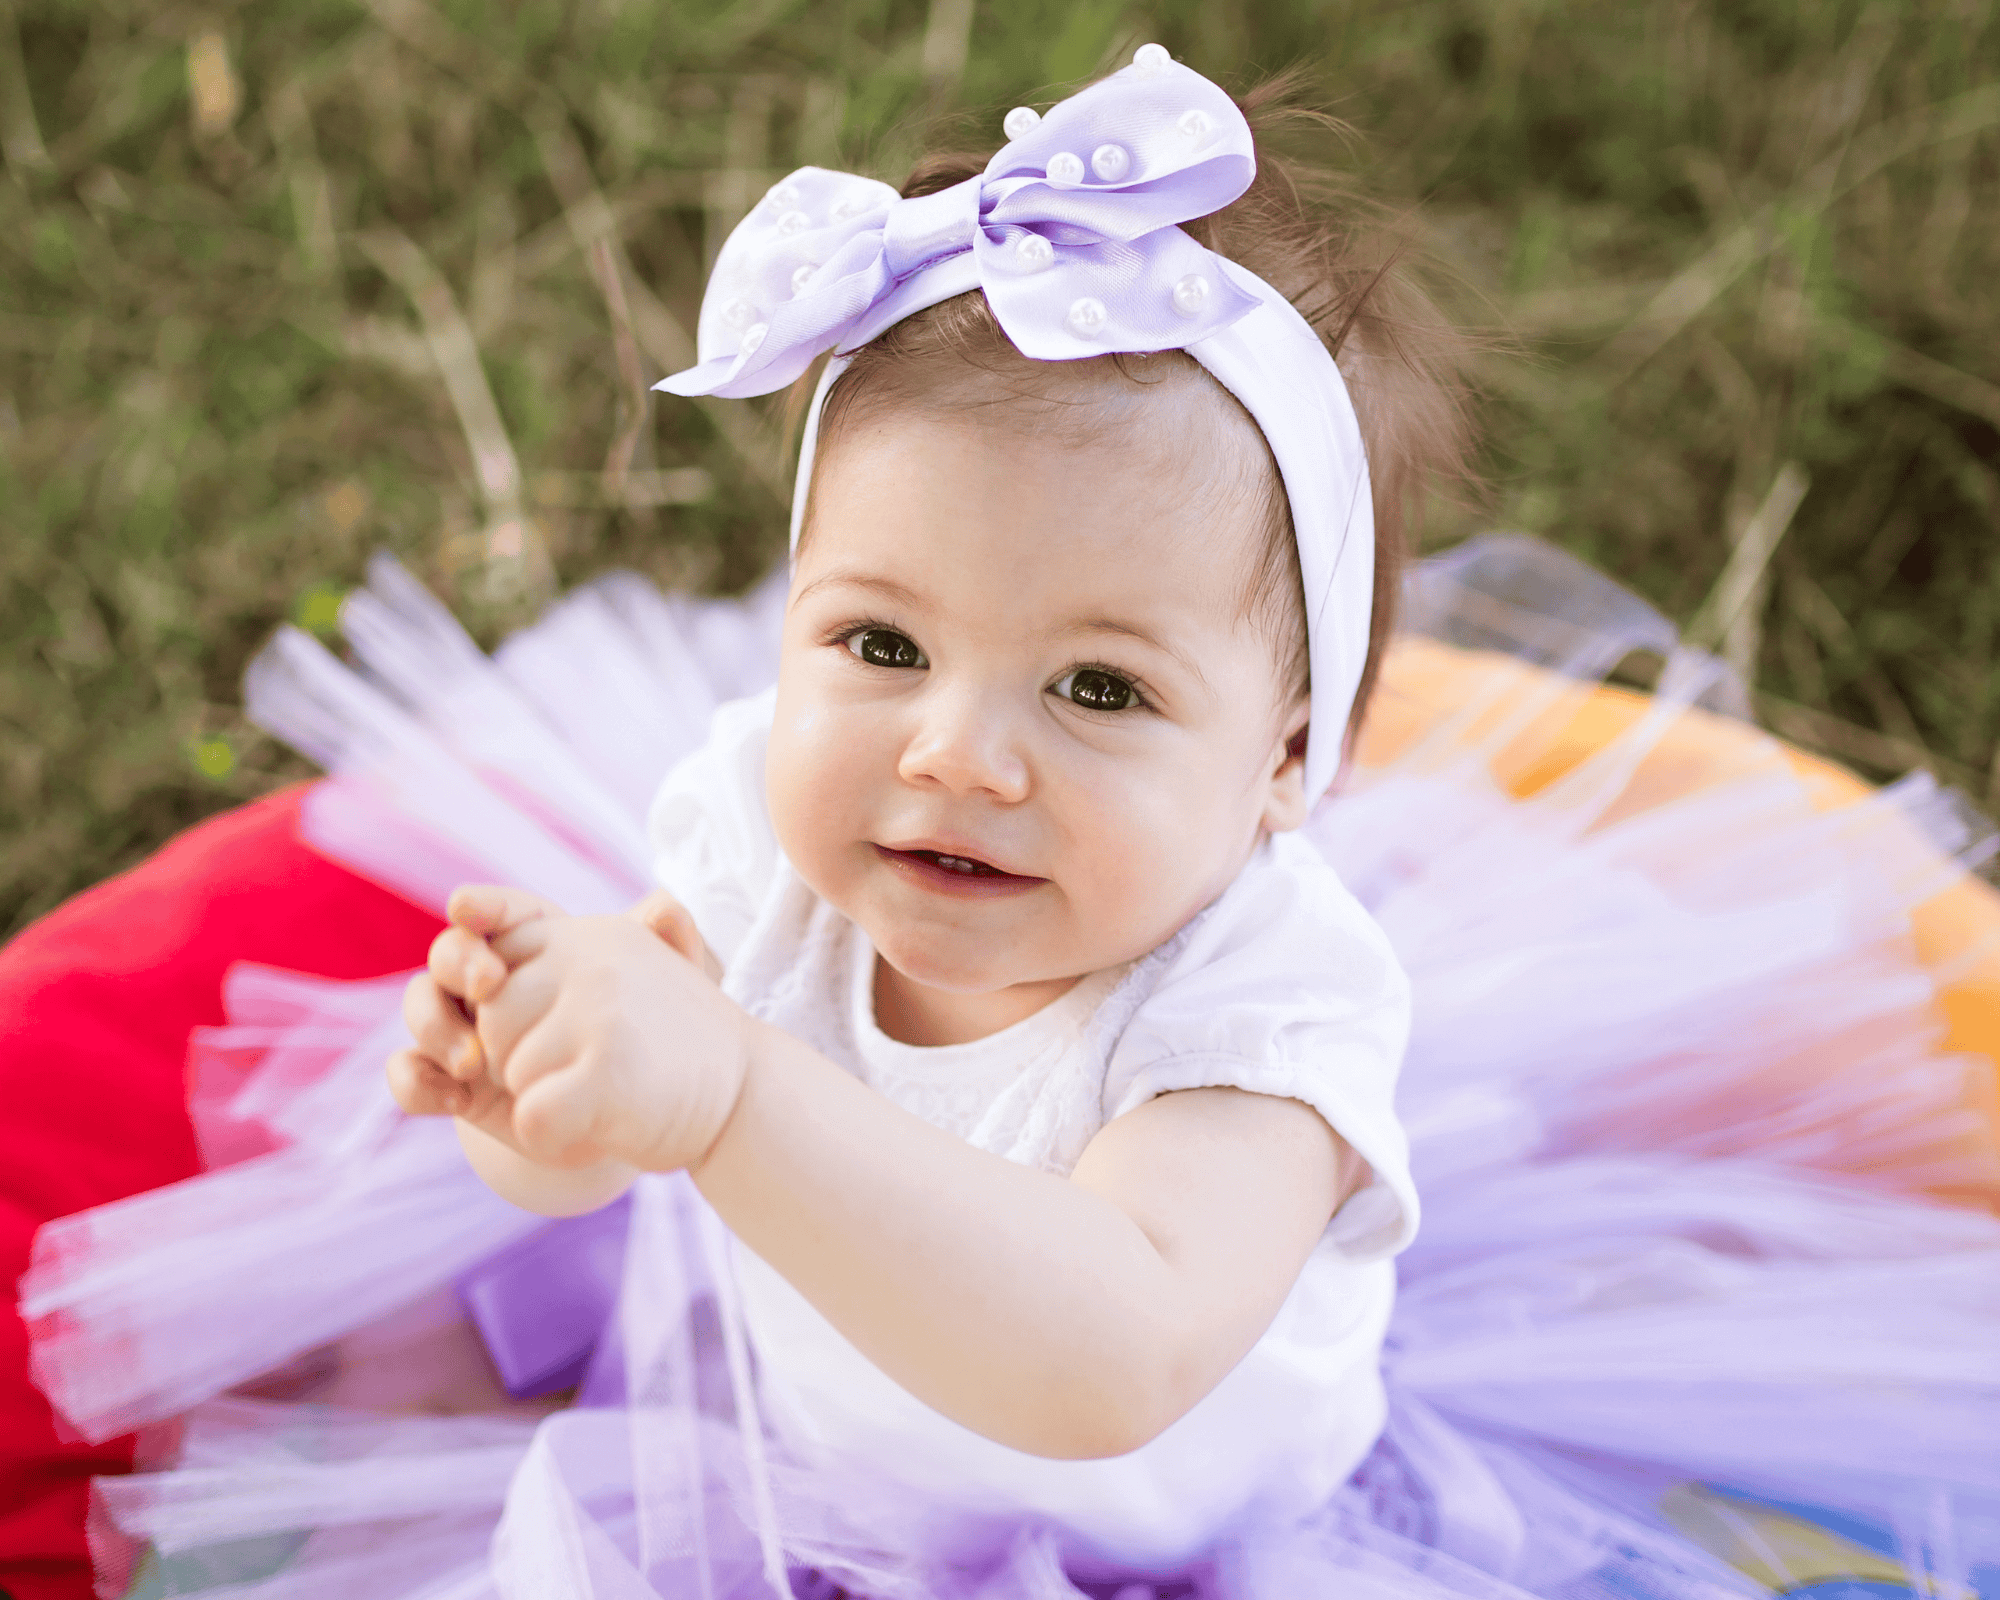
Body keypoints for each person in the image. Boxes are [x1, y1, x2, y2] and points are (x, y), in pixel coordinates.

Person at [16, 48, 2000, 1600]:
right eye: (880, 639)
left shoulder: (1271, 1006)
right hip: (795, 1480)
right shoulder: (766, 834)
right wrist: (546, 1101)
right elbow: (614, 1126)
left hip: (1198, 1540)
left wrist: (722, 1101)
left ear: (1288, 761)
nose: (958, 752)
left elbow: (1109, 1350)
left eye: (1102, 687)